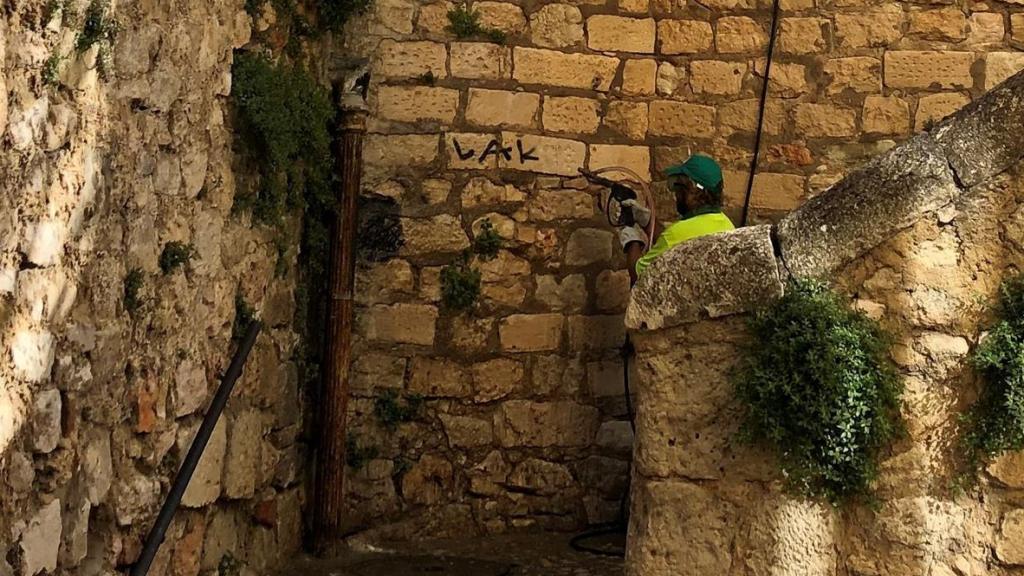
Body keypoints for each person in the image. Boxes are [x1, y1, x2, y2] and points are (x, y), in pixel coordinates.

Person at [619, 154, 736, 284]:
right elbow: (672, 245)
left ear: (694, 190)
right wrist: (647, 222)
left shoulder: (676, 234)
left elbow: (639, 275)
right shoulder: (727, 225)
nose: (676, 194)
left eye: (679, 187)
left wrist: (632, 239)